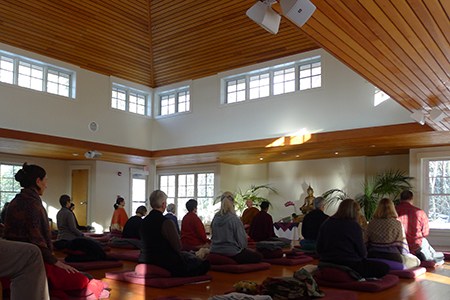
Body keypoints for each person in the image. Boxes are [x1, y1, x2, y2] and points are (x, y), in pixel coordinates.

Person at [139, 190, 210, 277]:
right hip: (165, 261)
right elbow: (177, 247)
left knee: (188, 255)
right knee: (203, 264)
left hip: (145, 259)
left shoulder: (143, 221)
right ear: (163, 205)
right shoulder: (166, 222)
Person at [316, 199, 390, 279]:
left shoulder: (326, 223)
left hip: (327, 262)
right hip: (350, 263)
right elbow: (362, 253)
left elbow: (318, 249)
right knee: (384, 267)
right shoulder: (354, 225)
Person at [210, 191, 263, 264]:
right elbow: (243, 242)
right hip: (231, 252)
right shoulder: (234, 219)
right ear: (232, 202)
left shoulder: (215, 219)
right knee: (259, 256)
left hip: (214, 250)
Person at [366, 198, 420, 269]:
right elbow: (402, 246)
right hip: (392, 257)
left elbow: (366, 242)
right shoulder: (397, 224)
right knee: (417, 261)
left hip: (373, 254)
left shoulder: (371, 223)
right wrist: (407, 255)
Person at [396, 190, 444, 263]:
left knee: (428, 247)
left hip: (398, 246)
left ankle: (432, 255)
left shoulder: (393, 211)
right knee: (425, 244)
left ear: (400, 200)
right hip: (415, 245)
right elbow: (425, 233)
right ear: (412, 199)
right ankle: (434, 257)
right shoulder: (419, 212)